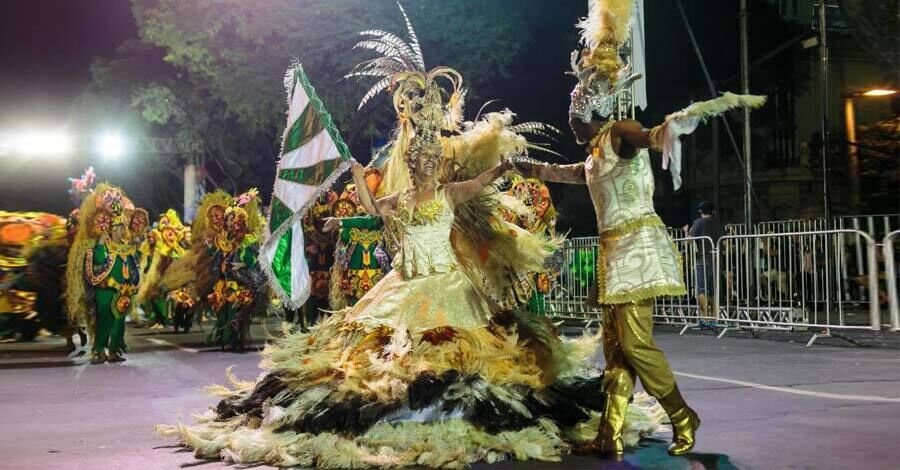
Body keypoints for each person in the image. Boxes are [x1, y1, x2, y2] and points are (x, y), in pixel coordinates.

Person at [158, 5, 664, 467]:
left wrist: (508, 157)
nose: (420, 163)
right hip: (402, 285)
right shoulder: (401, 199)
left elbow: (495, 174)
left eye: (426, 159)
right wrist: (354, 178)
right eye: (416, 159)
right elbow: (377, 209)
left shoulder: (450, 191)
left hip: (450, 287)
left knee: (476, 362)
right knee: (371, 363)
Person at [515, 0, 765, 458]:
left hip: (637, 248)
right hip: (614, 256)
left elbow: (645, 137)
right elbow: (571, 173)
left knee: (635, 342)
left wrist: (666, 130)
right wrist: (525, 167)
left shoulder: (620, 132)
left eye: (574, 114)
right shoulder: (594, 153)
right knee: (615, 349)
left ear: (592, 110)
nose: (570, 121)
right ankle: (609, 435)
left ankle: (682, 415)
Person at [688, 201, 724, 325]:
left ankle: (705, 318)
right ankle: (715, 317)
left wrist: (686, 232)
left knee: (701, 289)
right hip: (717, 259)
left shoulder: (698, 222)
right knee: (714, 289)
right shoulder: (717, 223)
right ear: (713, 211)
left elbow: (689, 241)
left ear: (700, 211)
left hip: (702, 259)